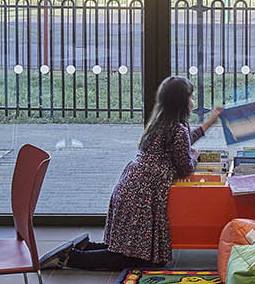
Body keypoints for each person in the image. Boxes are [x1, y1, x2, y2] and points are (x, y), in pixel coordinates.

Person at [63, 76, 222, 270]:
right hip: (144, 195)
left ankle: (85, 247)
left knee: (130, 250)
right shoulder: (177, 129)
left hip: (132, 186)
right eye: (190, 97)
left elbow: (184, 141)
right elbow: (185, 168)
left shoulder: (160, 123)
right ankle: (72, 258)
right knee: (138, 258)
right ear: (181, 101)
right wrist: (194, 157)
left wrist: (209, 122)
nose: (193, 102)